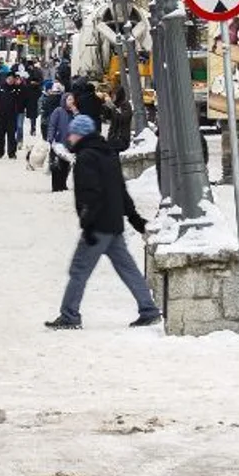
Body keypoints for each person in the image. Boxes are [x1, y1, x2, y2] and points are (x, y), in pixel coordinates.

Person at [47, 113, 161, 330]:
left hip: (98, 225)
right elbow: (121, 189)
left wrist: (88, 224)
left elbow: (91, 194)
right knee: (128, 269)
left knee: (79, 270)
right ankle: (149, 309)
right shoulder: (107, 154)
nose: (69, 137)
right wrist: (135, 219)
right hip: (113, 222)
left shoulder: (86, 158)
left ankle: (69, 315)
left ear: (80, 134)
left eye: (72, 133)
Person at [46, 91, 79, 193]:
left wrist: (76, 113)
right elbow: (52, 125)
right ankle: (56, 186)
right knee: (56, 165)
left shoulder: (75, 113)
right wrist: (51, 137)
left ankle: (63, 184)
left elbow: (80, 124)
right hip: (58, 142)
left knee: (66, 165)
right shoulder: (58, 111)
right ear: (64, 100)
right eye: (69, 99)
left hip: (70, 143)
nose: (71, 102)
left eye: (72, 99)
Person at [0, 73, 26, 159]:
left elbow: (23, 98)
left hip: (12, 116)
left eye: (12, 79)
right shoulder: (1, 88)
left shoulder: (17, 89)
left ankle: (12, 153)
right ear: (6, 79)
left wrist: (20, 86)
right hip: (1, 115)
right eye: (9, 79)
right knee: (0, 135)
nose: (10, 80)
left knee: (11, 135)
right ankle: (0, 152)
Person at [106, 85, 134, 153]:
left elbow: (125, 118)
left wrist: (115, 110)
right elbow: (107, 118)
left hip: (121, 138)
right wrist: (107, 108)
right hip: (113, 137)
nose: (112, 97)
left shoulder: (125, 104)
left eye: (114, 95)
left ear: (119, 95)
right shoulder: (115, 105)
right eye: (111, 95)